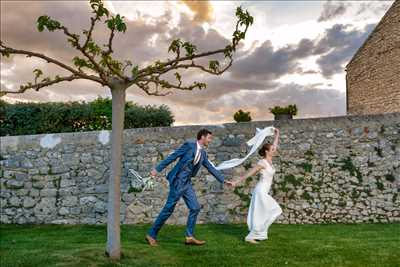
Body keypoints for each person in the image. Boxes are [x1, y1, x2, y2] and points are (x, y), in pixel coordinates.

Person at [146, 129, 234, 246]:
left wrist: (223, 180)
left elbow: (211, 168)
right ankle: (151, 234)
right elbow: (173, 156)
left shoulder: (203, 153)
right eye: (209, 138)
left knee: (195, 207)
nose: (210, 140)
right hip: (178, 181)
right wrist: (157, 169)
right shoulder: (189, 145)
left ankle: (189, 237)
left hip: (186, 183)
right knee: (169, 209)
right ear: (202, 137)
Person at [231, 128, 282, 244]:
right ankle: (251, 236)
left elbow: (275, 144)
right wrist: (236, 182)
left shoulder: (270, 161)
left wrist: (277, 134)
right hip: (260, 191)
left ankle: (258, 234)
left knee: (269, 212)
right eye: (272, 149)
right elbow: (249, 173)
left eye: (274, 149)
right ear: (266, 152)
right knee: (270, 211)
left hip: (264, 191)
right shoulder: (262, 163)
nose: (275, 150)